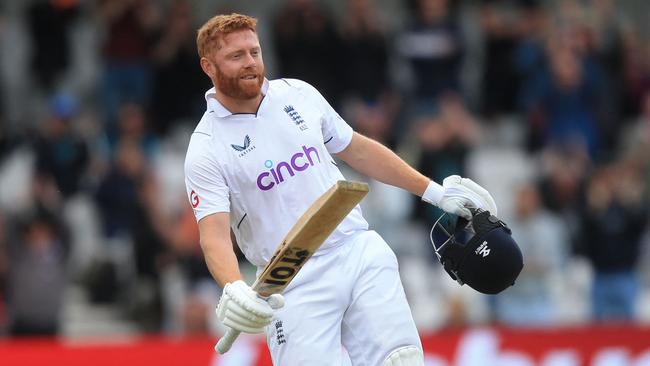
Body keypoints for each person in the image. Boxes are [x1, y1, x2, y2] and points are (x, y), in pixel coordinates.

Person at [184, 13, 498, 365]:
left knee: (403, 360)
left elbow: (358, 149)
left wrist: (435, 192)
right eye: (236, 56)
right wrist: (234, 285)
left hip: (355, 247)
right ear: (208, 66)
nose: (251, 63)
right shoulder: (206, 147)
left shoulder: (298, 94)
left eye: (254, 52)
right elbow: (212, 236)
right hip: (290, 281)